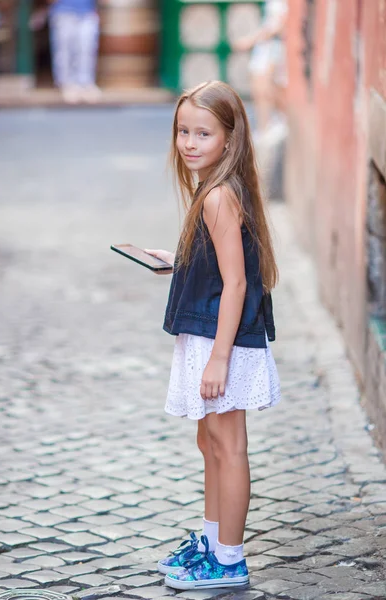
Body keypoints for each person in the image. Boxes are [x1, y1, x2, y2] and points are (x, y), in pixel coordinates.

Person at [145, 80, 281, 590]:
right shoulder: (216, 190)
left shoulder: (220, 196)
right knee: (210, 441)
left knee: (228, 446)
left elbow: (238, 282)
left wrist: (219, 359)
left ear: (230, 138)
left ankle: (229, 559)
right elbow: (225, 266)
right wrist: (181, 263)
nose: (189, 142)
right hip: (211, 334)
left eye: (203, 133)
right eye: (183, 131)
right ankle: (210, 540)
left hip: (222, 341)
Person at [233, 0, 288, 140]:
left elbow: (279, 25)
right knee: (259, 88)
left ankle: (276, 124)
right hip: (266, 46)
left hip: (274, 46)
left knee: (268, 88)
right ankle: (265, 128)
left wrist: (250, 40)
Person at [48, 0, 101, 103]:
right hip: (63, 11)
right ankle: (66, 83)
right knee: (64, 51)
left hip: (87, 12)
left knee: (86, 48)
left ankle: (86, 83)